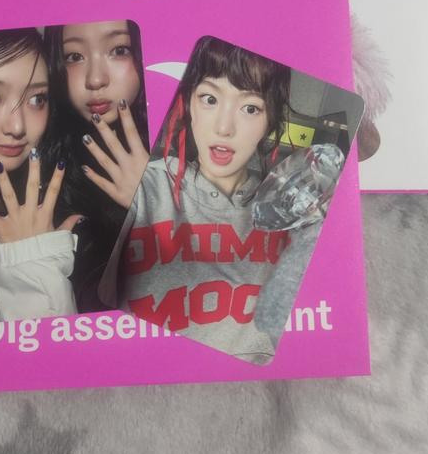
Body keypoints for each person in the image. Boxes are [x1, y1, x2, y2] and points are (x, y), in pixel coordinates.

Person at [109, 36, 294, 364]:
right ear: (189, 104)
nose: (224, 127)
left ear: (270, 121)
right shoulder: (144, 185)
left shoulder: (288, 210)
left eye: (250, 108)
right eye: (209, 99)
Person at [0, 29, 80, 322]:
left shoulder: (50, 204)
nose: (17, 127)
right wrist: (29, 260)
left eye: (37, 99)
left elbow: (59, 349)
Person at [44, 20, 150, 311]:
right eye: (74, 56)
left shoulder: (196, 144)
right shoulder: (49, 165)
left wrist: (155, 207)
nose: (95, 79)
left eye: (119, 50)